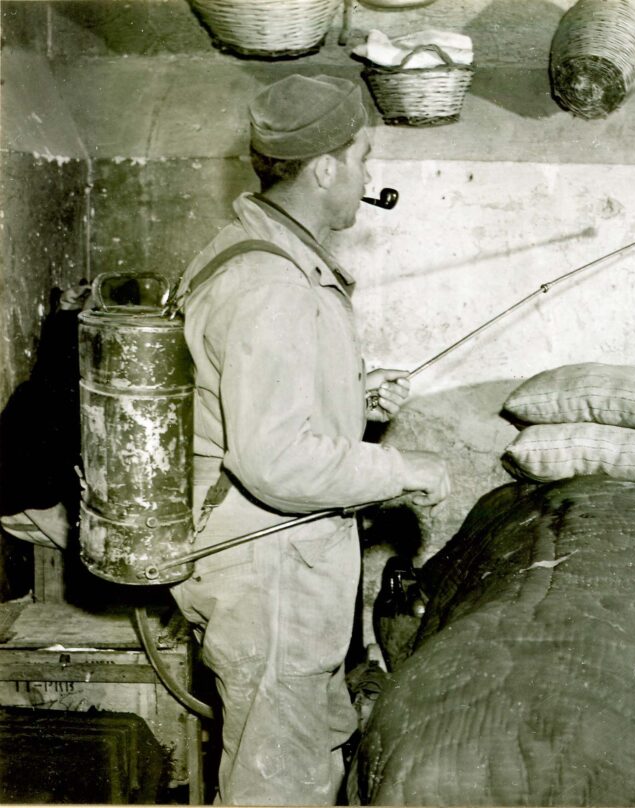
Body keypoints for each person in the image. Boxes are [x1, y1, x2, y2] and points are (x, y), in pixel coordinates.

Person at [169, 74, 450, 805]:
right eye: (361, 160)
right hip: (270, 570)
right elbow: (275, 460)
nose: (365, 178)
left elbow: (242, 401)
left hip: (274, 560)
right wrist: (400, 467)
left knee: (302, 748)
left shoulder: (247, 250)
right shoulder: (275, 288)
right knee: (278, 783)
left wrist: (351, 398)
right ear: (325, 168)